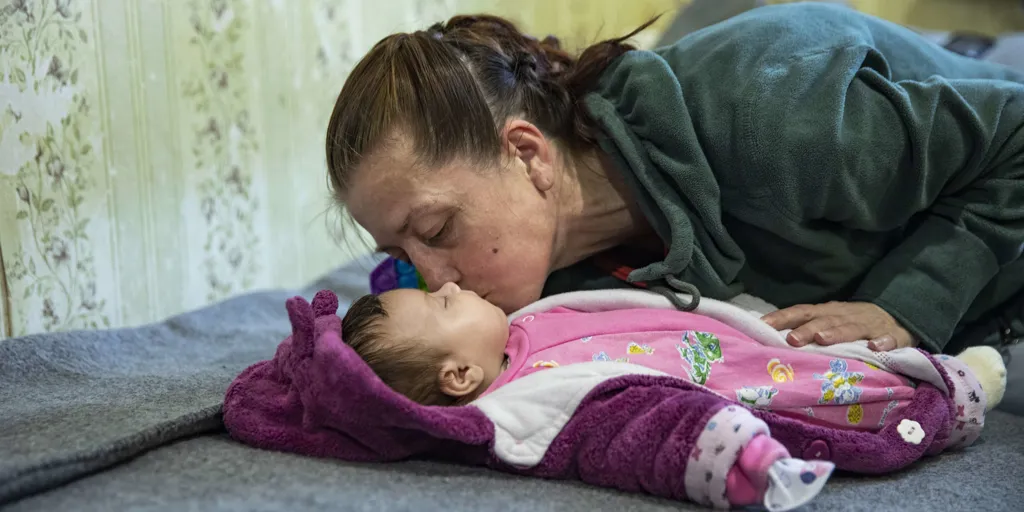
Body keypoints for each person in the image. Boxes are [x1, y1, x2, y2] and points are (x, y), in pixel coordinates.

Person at [325, 2, 1024, 356]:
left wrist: (905, 309)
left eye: (437, 230)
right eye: (400, 257)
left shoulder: (771, 117)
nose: (434, 277)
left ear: (530, 154)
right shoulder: (561, 282)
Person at [339, 282, 1005, 423]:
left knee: (808, 347)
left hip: (729, 336)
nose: (451, 281)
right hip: (727, 383)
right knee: (824, 389)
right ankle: (948, 394)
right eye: (442, 304)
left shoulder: (528, 319)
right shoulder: (525, 404)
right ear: (458, 375)